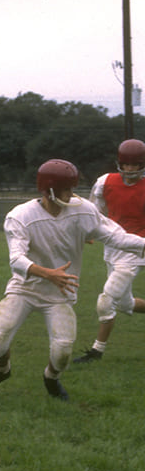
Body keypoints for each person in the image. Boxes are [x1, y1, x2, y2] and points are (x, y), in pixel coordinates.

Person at [0, 159, 145, 401]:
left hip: (59, 293)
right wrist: (48, 273)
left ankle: (51, 378)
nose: (72, 194)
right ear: (49, 189)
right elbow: (16, 260)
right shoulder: (20, 216)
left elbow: (118, 237)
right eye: (67, 189)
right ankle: (1, 371)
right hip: (25, 289)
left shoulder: (82, 210)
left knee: (62, 351)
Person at [74, 139, 145, 364]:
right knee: (124, 304)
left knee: (106, 300)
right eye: (126, 164)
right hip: (113, 247)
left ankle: (97, 351)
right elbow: (95, 212)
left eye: (135, 165)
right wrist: (89, 232)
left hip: (136, 249)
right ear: (120, 163)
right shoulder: (105, 182)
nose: (130, 169)